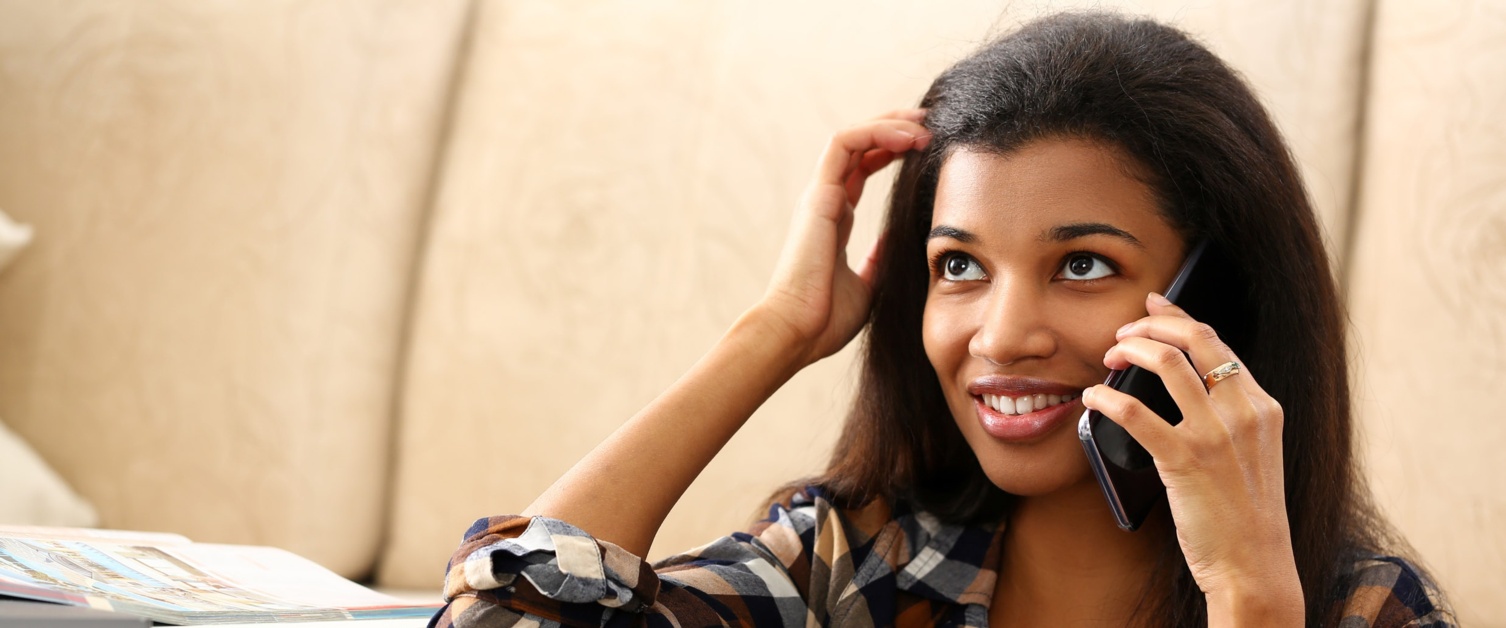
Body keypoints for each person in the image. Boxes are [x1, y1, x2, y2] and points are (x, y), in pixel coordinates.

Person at [431, 12, 1453, 628]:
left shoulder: (1360, 608)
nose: (1002, 335)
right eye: (959, 265)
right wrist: (775, 330)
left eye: (1083, 264)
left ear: (1212, 302)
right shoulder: (857, 561)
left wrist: (1249, 593)